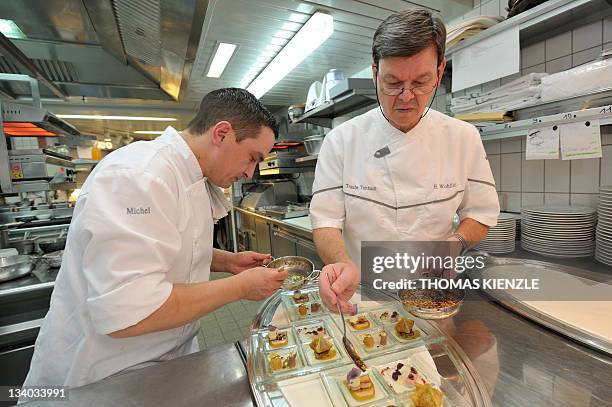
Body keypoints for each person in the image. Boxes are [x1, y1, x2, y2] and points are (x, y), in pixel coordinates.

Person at [22, 88, 288, 389]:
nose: (250, 172)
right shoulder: (139, 176)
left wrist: (227, 261)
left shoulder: (195, 177)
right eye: (252, 158)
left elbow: (167, 242)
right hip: (101, 377)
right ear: (222, 133)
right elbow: (130, 313)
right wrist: (241, 287)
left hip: (164, 361)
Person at [310, 9, 500, 313]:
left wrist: (455, 243)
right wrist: (343, 264)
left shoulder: (463, 138)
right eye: (392, 82)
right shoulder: (341, 140)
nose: (407, 96)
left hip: (435, 293)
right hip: (362, 293)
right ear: (375, 73)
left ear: (439, 73)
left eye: (421, 82)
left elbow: (482, 213)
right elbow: (325, 222)